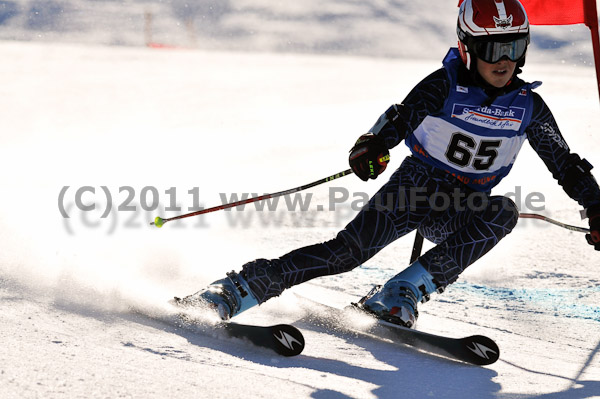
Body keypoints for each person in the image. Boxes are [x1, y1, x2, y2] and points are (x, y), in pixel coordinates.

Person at [178, 0, 600, 327]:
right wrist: (373, 146)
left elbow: (566, 165)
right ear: (467, 47)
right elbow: (401, 118)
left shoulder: (529, 108)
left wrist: (596, 206)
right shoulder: (445, 86)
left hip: (461, 209)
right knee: (345, 254)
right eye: (493, 49)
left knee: (503, 212)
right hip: (415, 189)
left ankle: (402, 290)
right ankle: (238, 289)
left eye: (514, 47)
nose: (504, 60)